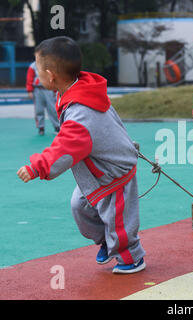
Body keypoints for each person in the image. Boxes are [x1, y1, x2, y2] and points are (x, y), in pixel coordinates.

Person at [16, 36, 146, 274]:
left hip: (111, 172)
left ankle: (132, 257)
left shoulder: (80, 113)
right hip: (96, 170)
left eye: (38, 69)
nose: (36, 75)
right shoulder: (77, 91)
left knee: (118, 220)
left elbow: (64, 147)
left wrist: (38, 167)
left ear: (51, 75)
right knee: (79, 207)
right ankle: (106, 241)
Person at [26, 59, 60, 135]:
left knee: (52, 109)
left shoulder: (50, 65)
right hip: (37, 90)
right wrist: (30, 91)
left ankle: (57, 127)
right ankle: (41, 128)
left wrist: (55, 90)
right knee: (39, 110)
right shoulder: (33, 66)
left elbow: (54, 78)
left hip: (48, 89)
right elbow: (30, 79)